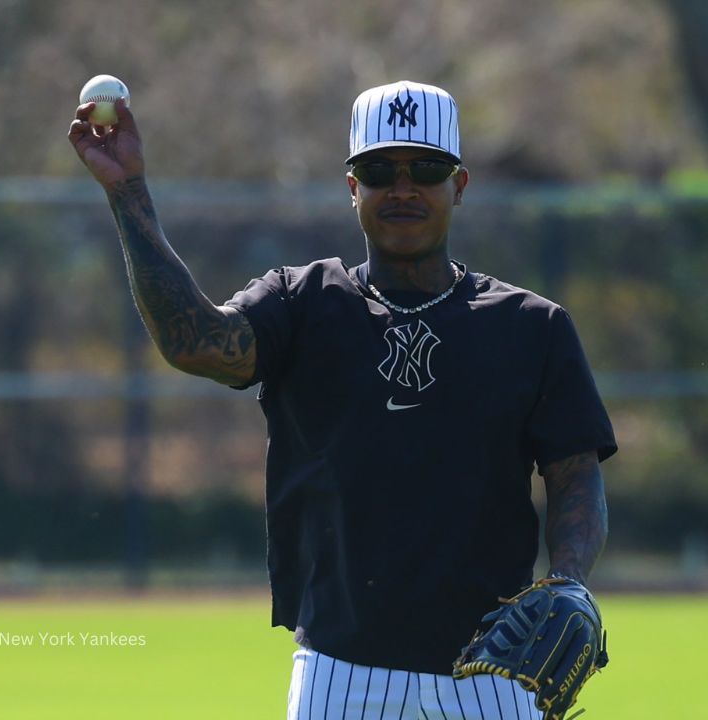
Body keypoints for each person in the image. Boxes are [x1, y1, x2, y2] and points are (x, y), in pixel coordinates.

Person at [69, 79, 616, 719]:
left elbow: (575, 474)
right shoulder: (304, 303)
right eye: (380, 169)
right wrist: (128, 191)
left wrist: (570, 580)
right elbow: (196, 342)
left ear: (459, 185)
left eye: (426, 169)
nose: (403, 187)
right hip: (340, 677)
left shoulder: (531, 325)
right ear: (352, 187)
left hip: (493, 675)